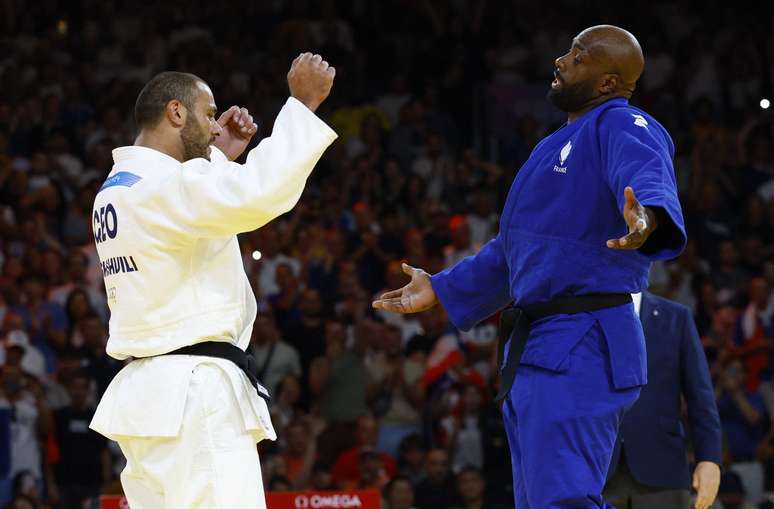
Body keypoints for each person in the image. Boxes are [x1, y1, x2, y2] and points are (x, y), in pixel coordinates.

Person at [373, 25, 686, 508]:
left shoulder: (623, 125)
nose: (561, 60)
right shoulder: (555, 145)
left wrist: (648, 217)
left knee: (562, 500)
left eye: (578, 57)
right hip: (542, 345)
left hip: (584, 339)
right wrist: (442, 288)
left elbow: (645, 179)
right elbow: (514, 249)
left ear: (607, 82)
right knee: (541, 500)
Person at [88, 53, 337, 509]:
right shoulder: (161, 186)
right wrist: (302, 106)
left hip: (151, 398)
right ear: (175, 112)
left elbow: (190, 211)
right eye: (206, 114)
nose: (214, 125)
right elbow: (257, 194)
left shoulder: (118, 188)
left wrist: (216, 157)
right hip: (193, 397)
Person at [604, 292, 722, 509]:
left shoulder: (676, 317)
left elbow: (700, 396)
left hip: (663, 467)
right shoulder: (583, 314)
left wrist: (709, 458)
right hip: (595, 469)